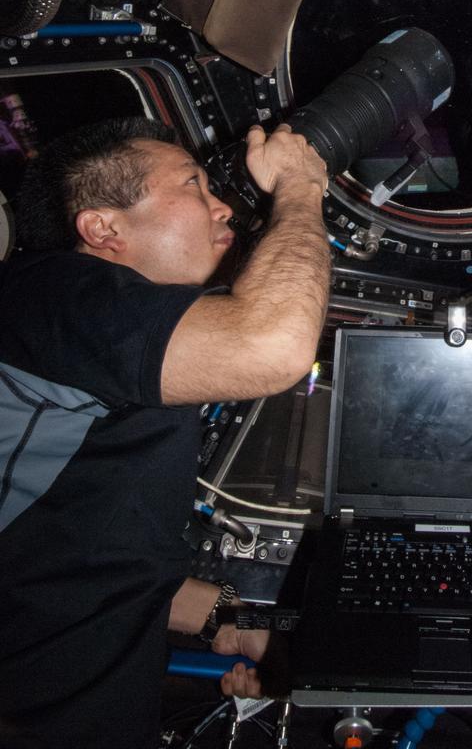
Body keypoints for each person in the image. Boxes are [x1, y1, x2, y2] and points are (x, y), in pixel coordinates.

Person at [0, 116, 330, 748]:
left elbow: (79, 565)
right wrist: (297, 186)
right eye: (194, 186)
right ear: (102, 227)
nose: (222, 206)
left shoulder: (99, 347)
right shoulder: (54, 294)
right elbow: (273, 345)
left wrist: (235, 623)